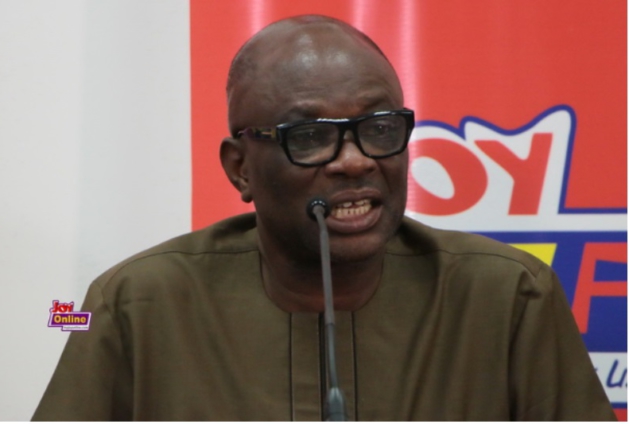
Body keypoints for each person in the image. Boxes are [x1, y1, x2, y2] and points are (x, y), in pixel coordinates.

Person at [33, 15, 616, 421]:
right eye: (310, 137)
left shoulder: (508, 297)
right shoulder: (136, 306)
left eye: (379, 128)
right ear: (240, 169)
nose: (356, 160)